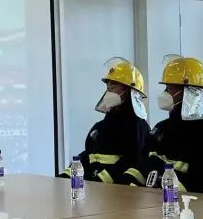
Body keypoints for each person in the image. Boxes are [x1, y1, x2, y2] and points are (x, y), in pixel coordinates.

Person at [142, 56, 203, 193]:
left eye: (170, 88)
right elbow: (144, 163)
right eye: (166, 87)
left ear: (189, 91)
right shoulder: (161, 127)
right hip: (156, 198)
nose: (164, 93)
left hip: (189, 202)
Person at [64, 58, 151, 186]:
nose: (109, 87)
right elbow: (88, 155)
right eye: (108, 84)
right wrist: (68, 174)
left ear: (128, 90)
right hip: (94, 190)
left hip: (118, 193)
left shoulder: (138, 127)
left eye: (114, 84)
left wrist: (102, 179)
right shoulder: (99, 126)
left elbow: (134, 162)